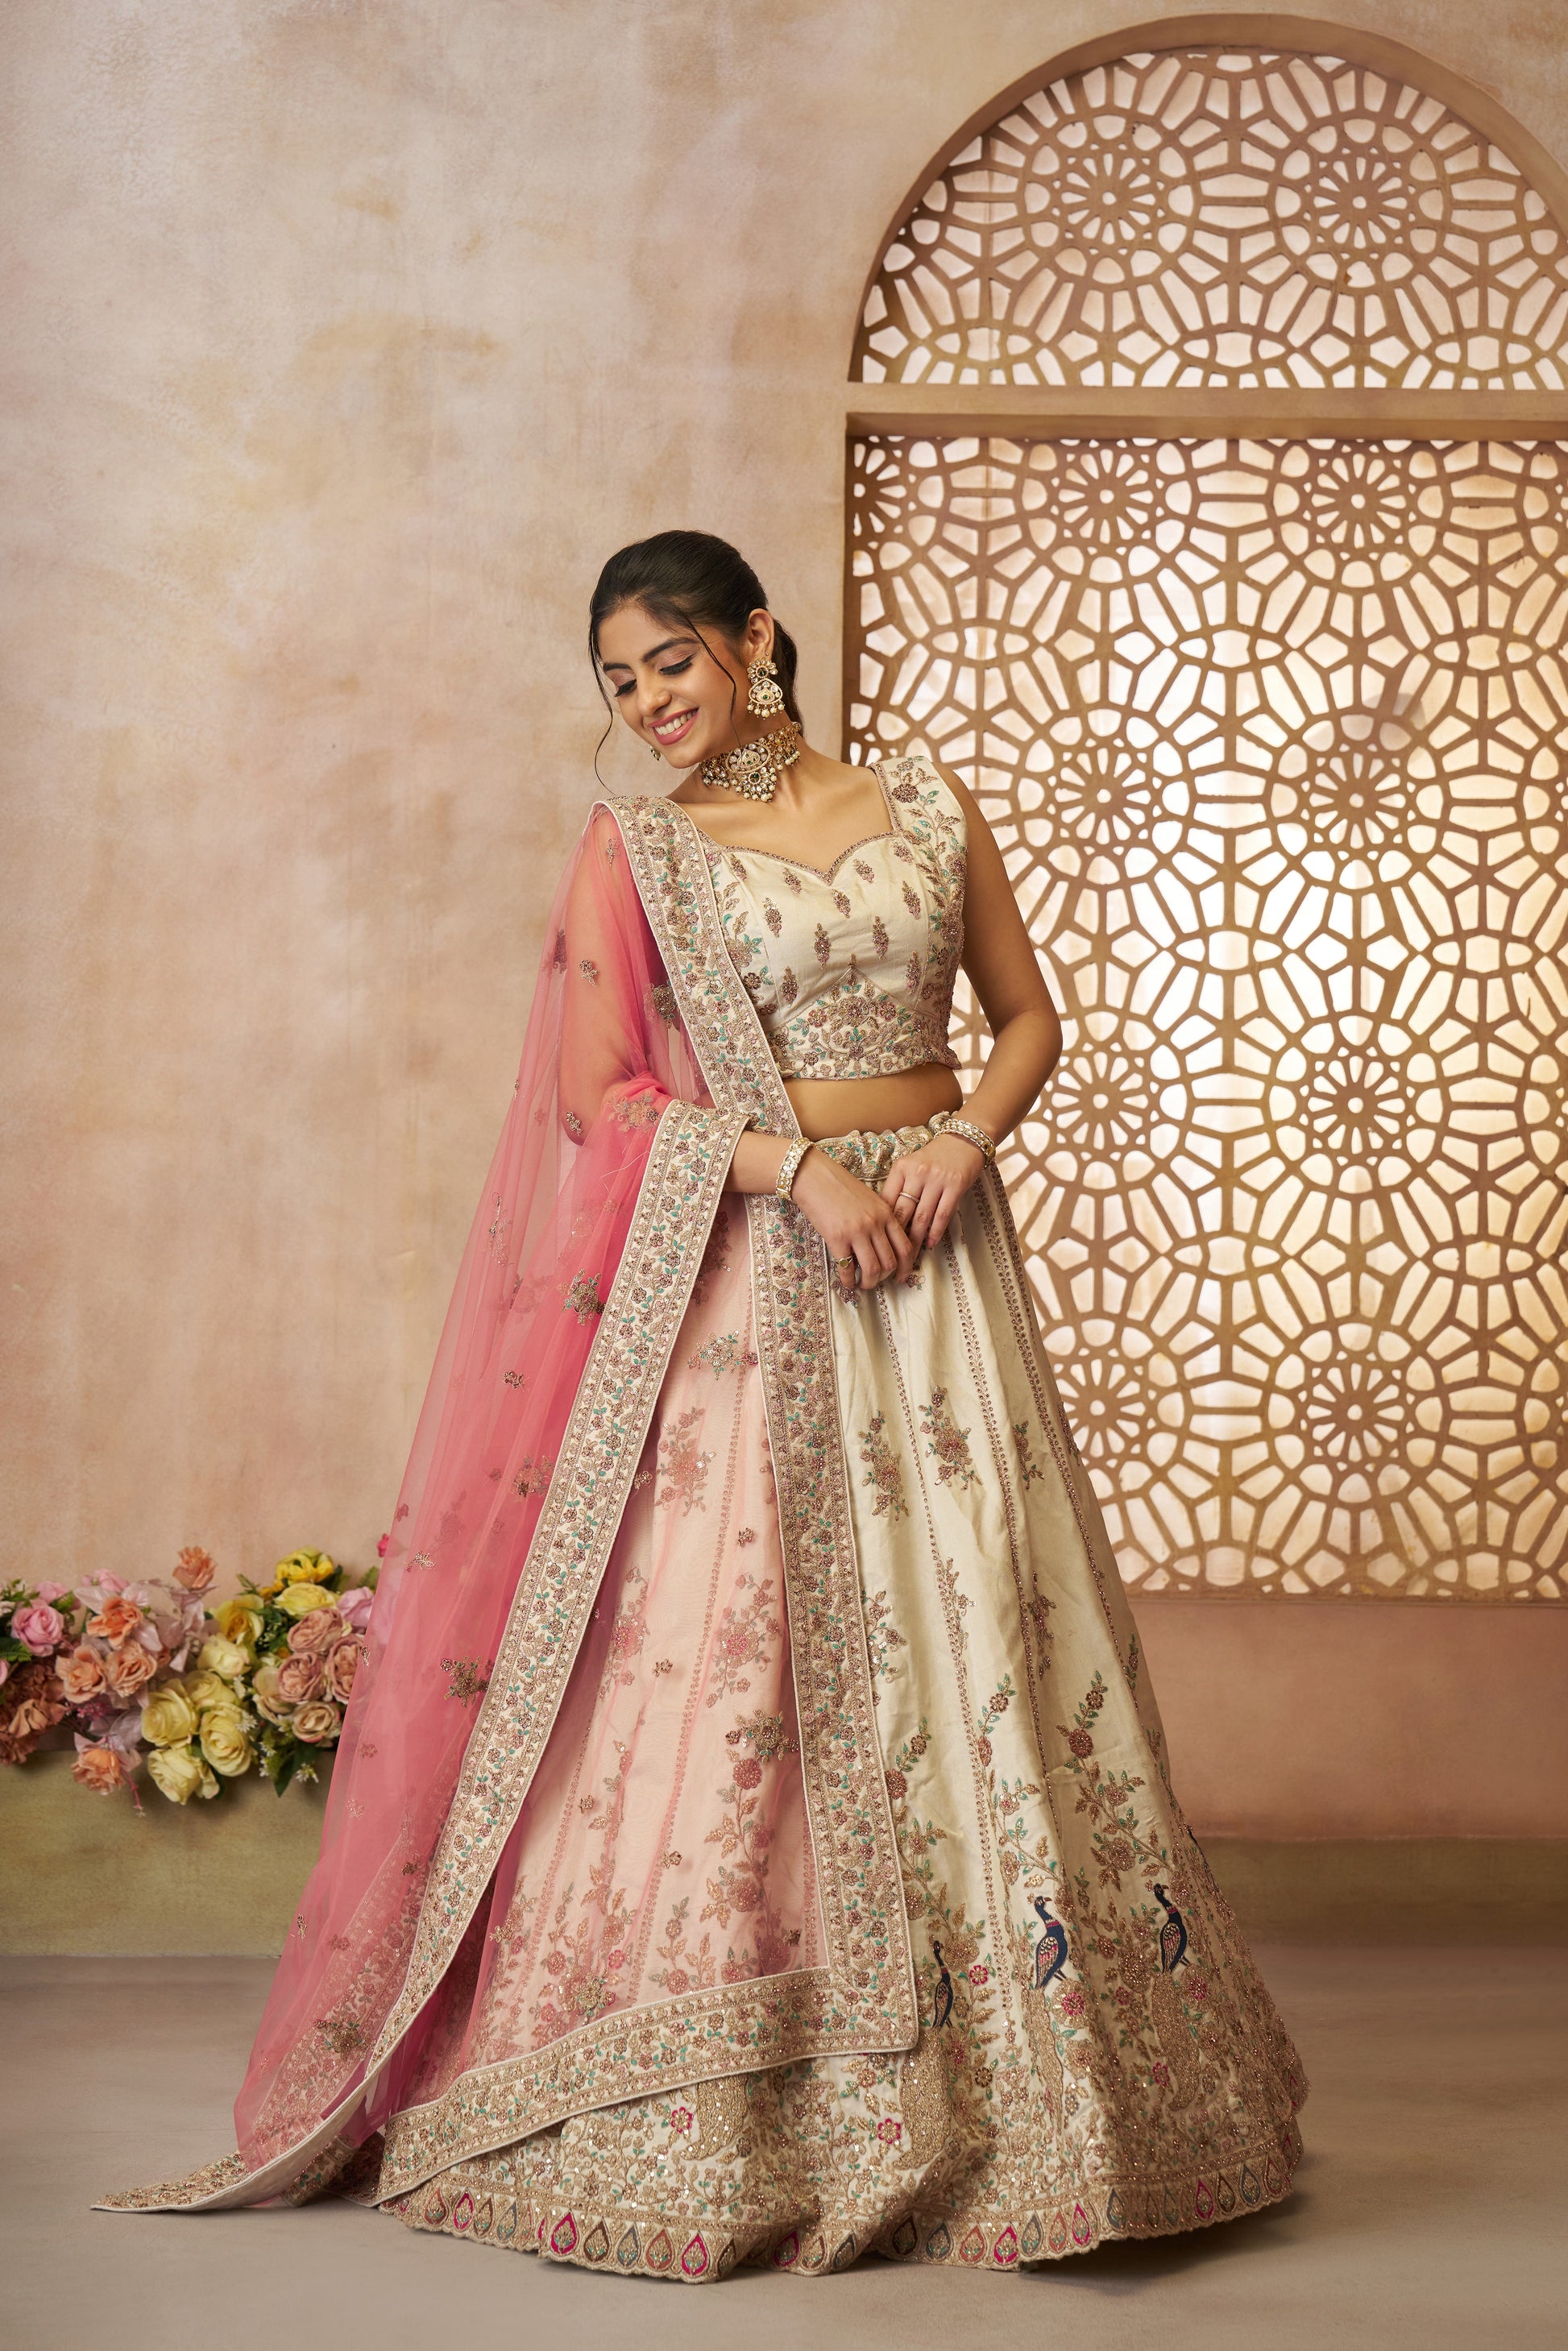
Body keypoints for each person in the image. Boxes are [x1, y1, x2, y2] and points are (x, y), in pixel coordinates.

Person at [102, 531, 1305, 2278]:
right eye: (620, 681)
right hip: (764, 1281)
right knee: (745, 1655)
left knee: (989, 1617)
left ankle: (1054, 2078)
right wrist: (796, 1170)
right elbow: (599, 1099)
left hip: (941, 1270)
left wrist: (963, 1145)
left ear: (755, 638)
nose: (650, 701)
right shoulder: (637, 851)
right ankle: (749, 2072)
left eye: (671, 660)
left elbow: (1027, 1017)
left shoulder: (923, 802)